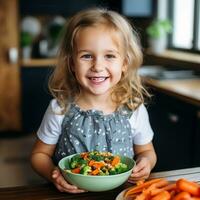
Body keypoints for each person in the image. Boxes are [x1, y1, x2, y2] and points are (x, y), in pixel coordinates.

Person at [30, 8, 157, 193]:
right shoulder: (60, 108)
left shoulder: (133, 108)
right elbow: (39, 155)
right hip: (71, 194)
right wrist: (53, 174)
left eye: (110, 56)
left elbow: (147, 152)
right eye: (86, 56)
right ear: (72, 63)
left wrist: (146, 163)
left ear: (124, 64)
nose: (97, 66)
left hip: (122, 193)